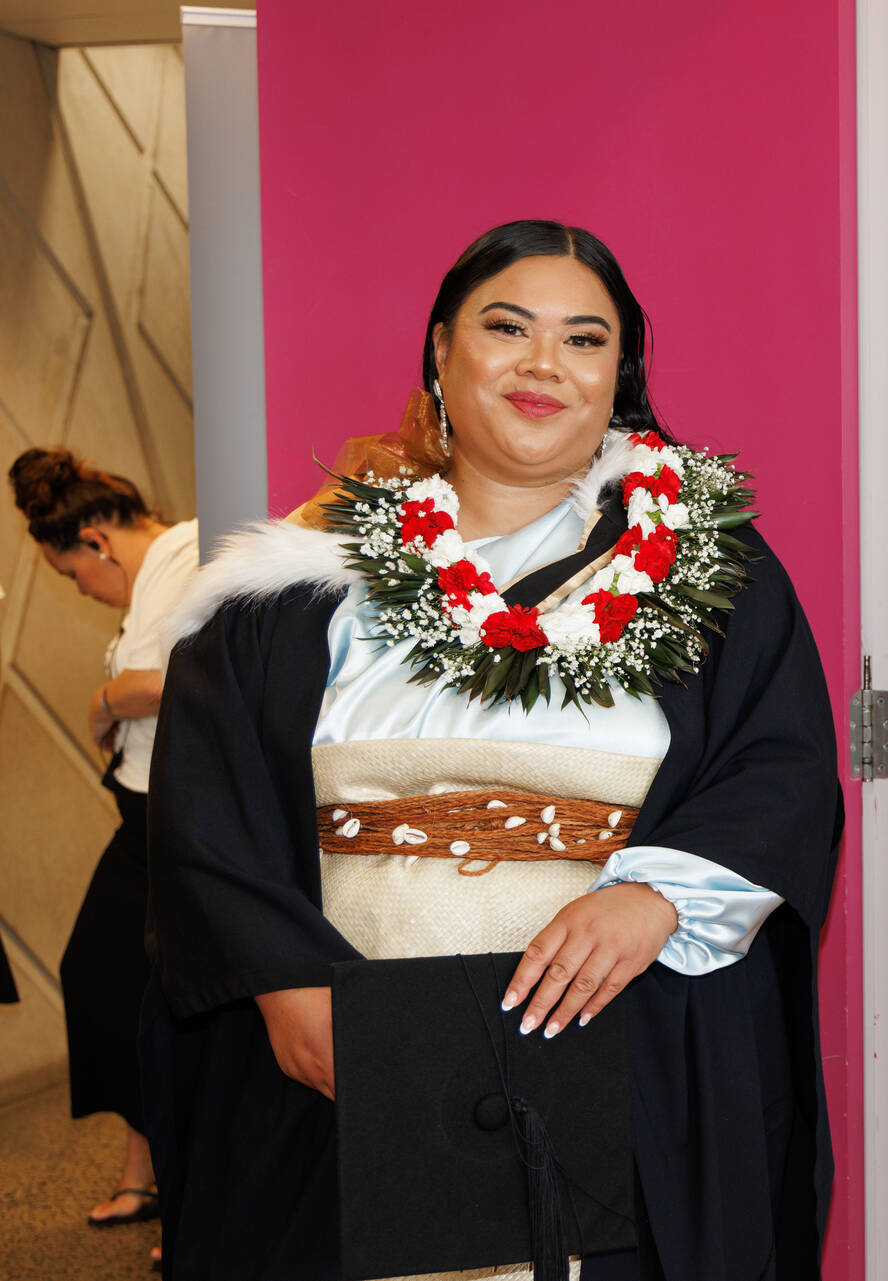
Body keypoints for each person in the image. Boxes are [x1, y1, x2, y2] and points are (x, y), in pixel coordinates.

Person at [141, 220, 843, 1280]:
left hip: (622, 1041)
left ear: (620, 373)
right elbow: (209, 804)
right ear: (440, 349)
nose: (543, 364)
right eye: (507, 328)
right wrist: (281, 984)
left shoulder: (712, 575)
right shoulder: (298, 590)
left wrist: (656, 897)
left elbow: (780, 768)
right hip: (345, 1053)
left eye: (584, 339)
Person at [7, 448, 199, 1235]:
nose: (80, 588)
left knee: (155, 994)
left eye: (71, 573)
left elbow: (181, 678)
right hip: (142, 813)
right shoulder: (151, 575)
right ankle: (145, 1173)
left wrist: (104, 701)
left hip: (178, 816)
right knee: (104, 978)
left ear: (95, 541)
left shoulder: (186, 553)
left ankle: (180, 1190)